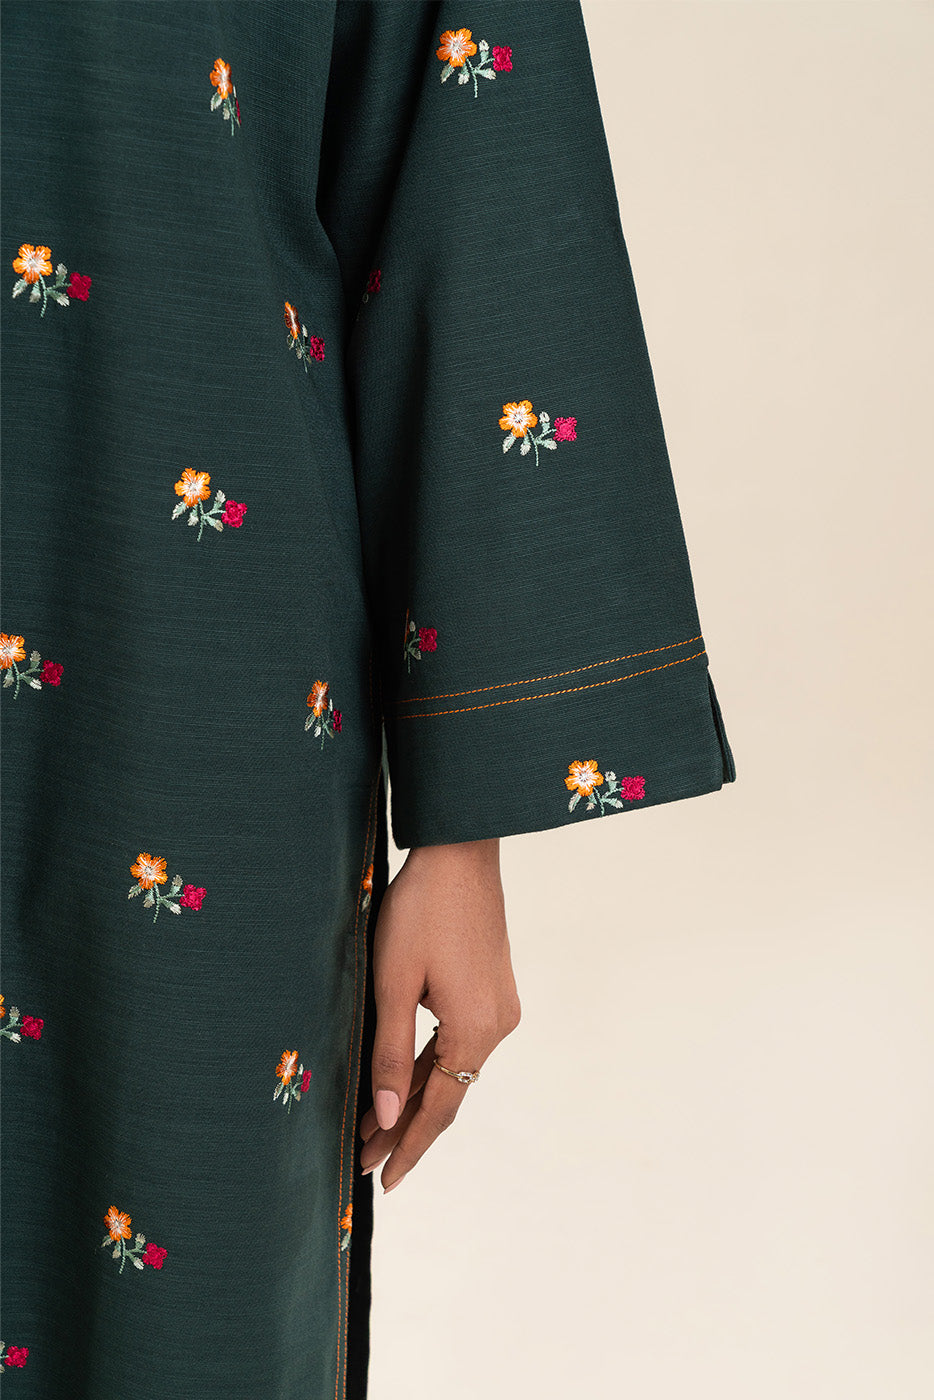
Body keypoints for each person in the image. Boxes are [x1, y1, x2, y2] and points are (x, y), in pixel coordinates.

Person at [0, 2, 735, 1396]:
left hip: (183, 689)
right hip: (184, 659)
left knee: (175, 1282)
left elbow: (465, 150)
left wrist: (460, 838)